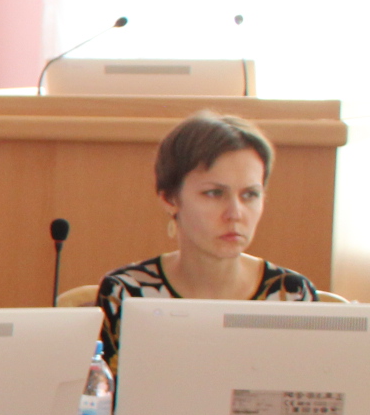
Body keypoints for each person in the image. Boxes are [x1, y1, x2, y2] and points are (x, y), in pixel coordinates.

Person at [95, 110, 319, 370]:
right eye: (214, 193)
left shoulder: (291, 294)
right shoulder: (126, 292)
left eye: (250, 195)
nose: (235, 213)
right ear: (169, 198)